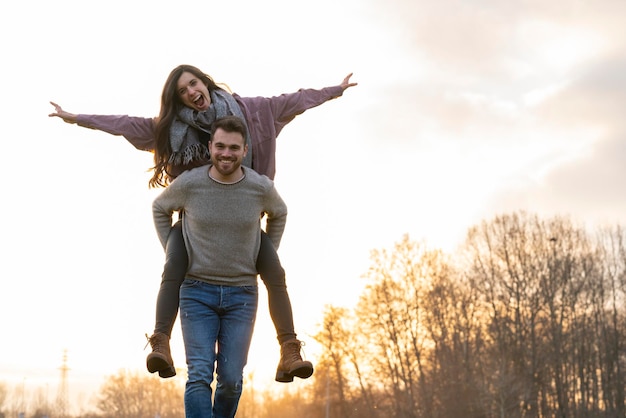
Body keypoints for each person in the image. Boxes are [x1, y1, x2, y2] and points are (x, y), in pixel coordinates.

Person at [49, 65, 357, 382]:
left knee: (275, 273)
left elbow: (295, 100)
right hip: (196, 223)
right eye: (182, 92)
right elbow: (124, 124)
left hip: (243, 221)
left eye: (193, 84)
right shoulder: (170, 129)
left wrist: (334, 90)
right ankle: (161, 344)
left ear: (205, 82)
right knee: (173, 265)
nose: (191, 93)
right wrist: (76, 118)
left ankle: (289, 351)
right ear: (178, 100)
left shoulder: (253, 111)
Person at [153, 116, 283, 417]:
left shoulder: (259, 187)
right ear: (210, 146)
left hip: (242, 295)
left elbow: (280, 213)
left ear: (245, 149)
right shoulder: (191, 183)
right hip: (196, 291)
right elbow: (160, 208)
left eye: (234, 148)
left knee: (231, 381)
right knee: (199, 375)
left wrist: (266, 251)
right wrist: (172, 248)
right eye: (221, 146)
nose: (227, 153)